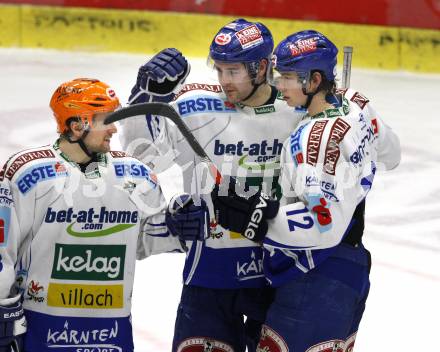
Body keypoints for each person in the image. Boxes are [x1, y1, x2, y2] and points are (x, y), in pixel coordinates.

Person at [120, 18, 304, 352]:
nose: (223, 81)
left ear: (261, 67)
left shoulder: (295, 110)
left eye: (233, 71)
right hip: (210, 276)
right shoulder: (195, 107)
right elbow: (141, 158)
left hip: (279, 273)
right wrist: (143, 98)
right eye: (218, 70)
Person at [212, 30, 401, 351]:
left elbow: (323, 223)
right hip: (352, 268)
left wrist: (260, 219)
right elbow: (392, 153)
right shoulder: (356, 104)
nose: (280, 85)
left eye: (287, 77)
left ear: (314, 81)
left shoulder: (312, 140)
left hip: (316, 273)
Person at [0, 78, 208, 352]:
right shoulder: (27, 175)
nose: (113, 128)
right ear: (77, 126)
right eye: (105, 120)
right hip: (41, 325)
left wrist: (176, 226)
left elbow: (143, 239)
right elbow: (3, 252)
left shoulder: (135, 174)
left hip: (111, 328)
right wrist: (5, 310)